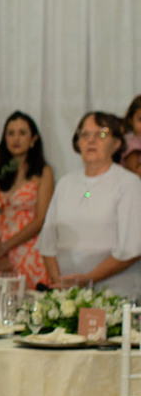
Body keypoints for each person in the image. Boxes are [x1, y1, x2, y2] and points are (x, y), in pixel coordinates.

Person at [39, 111, 141, 299]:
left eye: (101, 134)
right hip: (67, 296)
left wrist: (87, 279)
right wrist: (60, 285)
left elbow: (131, 249)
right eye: (85, 134)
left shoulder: (129, 184)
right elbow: (48, 243)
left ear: (117, 143)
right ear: (77, 143)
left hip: (115, 295)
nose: (91, 140)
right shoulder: (65, 183)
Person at [0, 111, 54, 288]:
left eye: (22, 133)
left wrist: (5, 247)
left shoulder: (43, 172)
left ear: (33, 139)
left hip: (27, 250)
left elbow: (41, 219)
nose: (16, 139)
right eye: (11, 133)